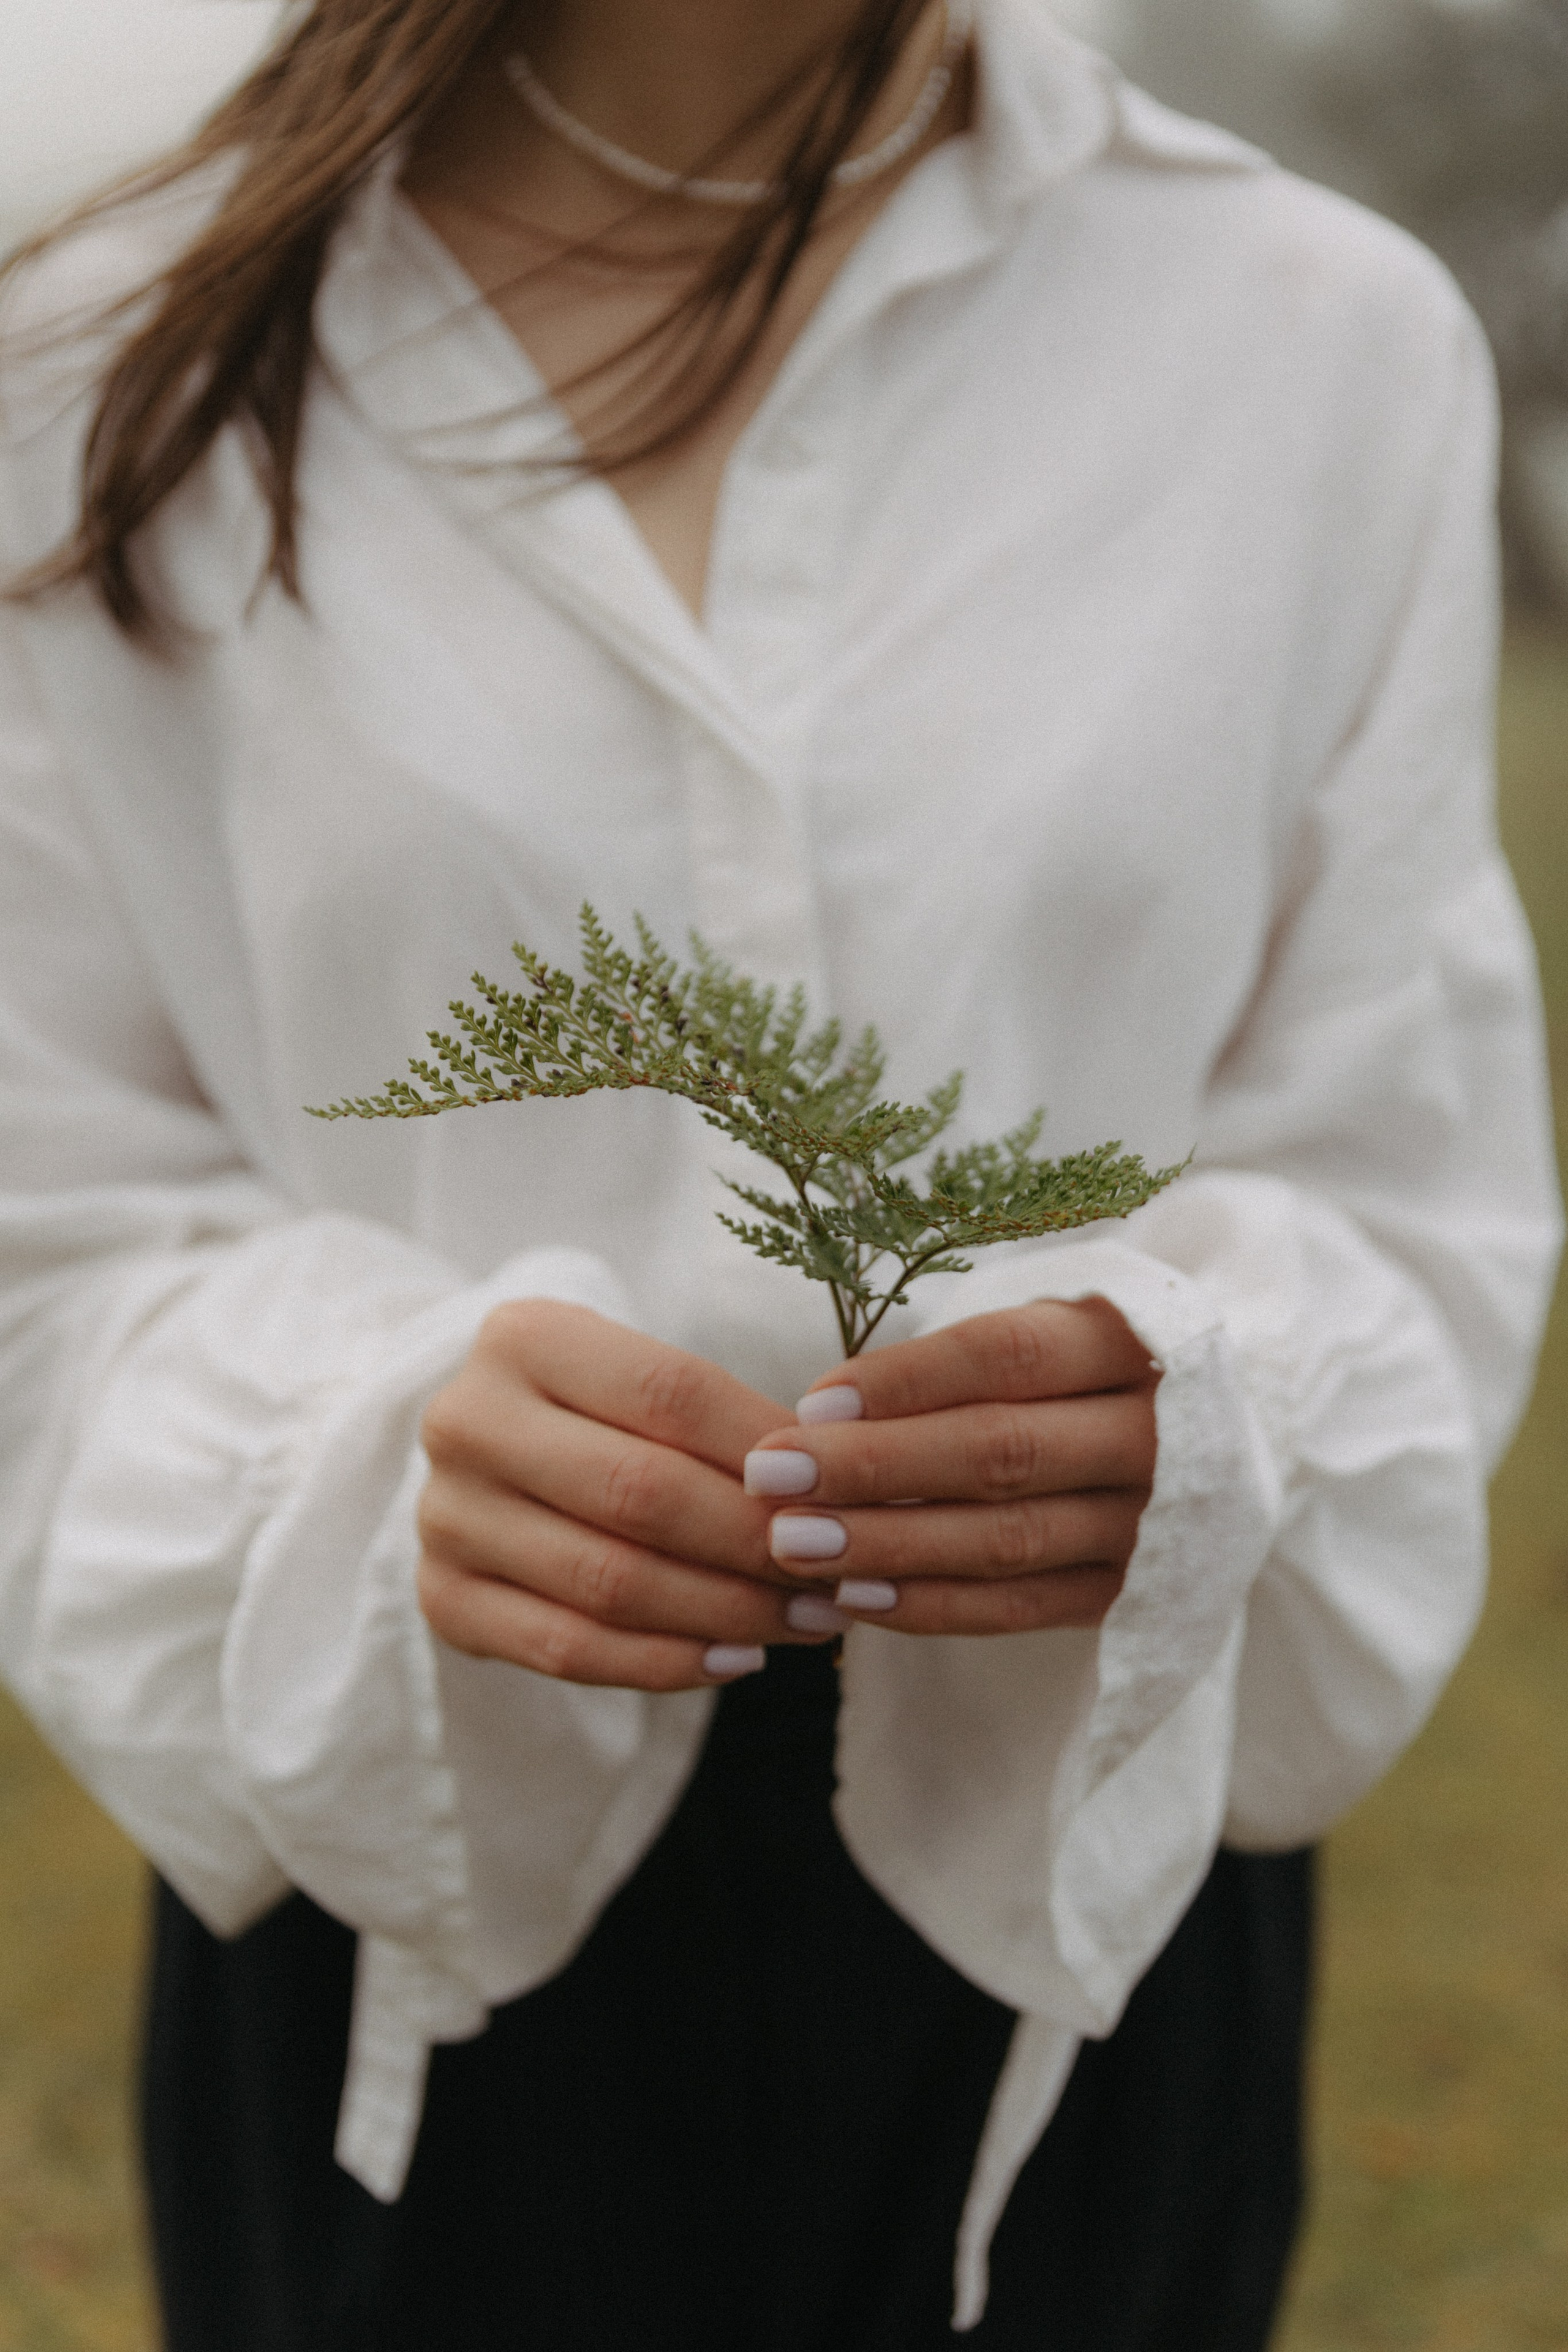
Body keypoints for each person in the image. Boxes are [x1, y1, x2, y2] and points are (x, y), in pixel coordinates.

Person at [0, 1, 1559, 2345]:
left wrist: (1189, 1405)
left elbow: (1403, 1168)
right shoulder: (104, 362)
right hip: (413, 1853)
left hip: (1075, 1862)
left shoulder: (1309, 343)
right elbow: (49, 1224)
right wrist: (370, 1442)